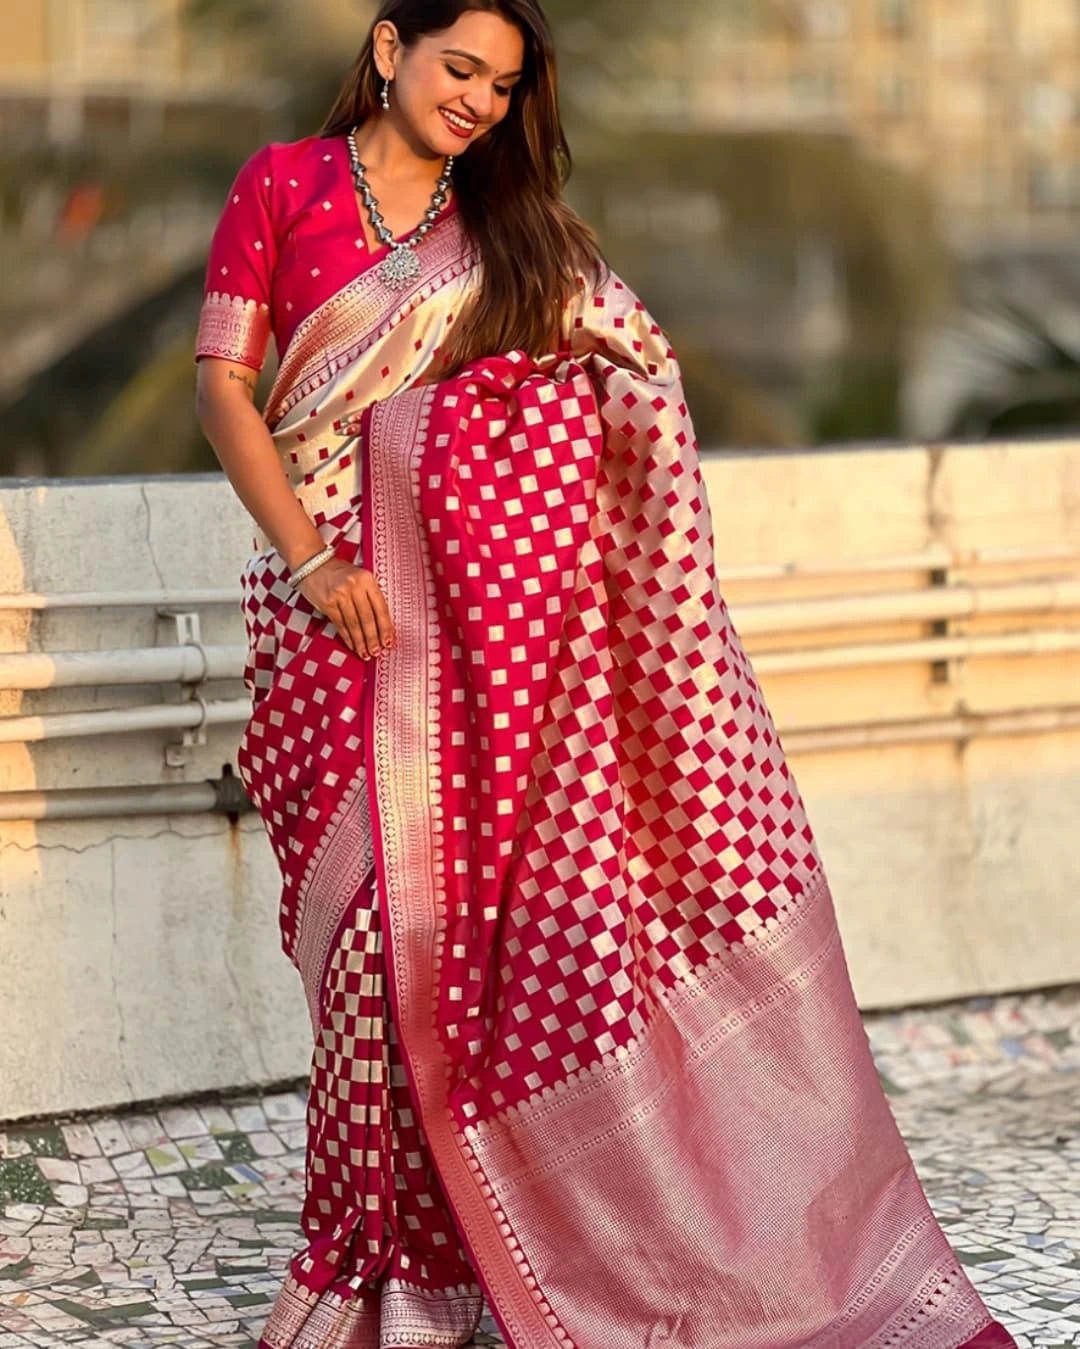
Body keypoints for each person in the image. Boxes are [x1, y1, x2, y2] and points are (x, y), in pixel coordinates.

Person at [194, 3, 1019, 1347]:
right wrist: (309, 560)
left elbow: (635, 370)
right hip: (324, 623)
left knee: (476, 951)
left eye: (503, 87)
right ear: (391, 48)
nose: (476, 100)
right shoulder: (282, 185)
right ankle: (373, 1270)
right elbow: (225, 388)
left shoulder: (512, 235)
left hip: (494, 662)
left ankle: (477, 1263)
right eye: (459, 67)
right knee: (362, 958)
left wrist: (474, 461)